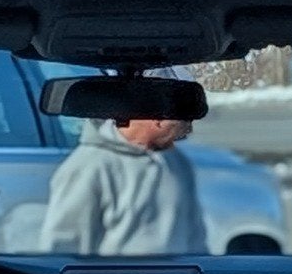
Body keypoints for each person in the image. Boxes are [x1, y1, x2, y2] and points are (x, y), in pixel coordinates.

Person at [40, 100, 205, 256]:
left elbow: (195, 236)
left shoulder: (176, 162)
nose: (186, 132)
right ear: (159, 119)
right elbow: (63, 248)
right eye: (182, 125)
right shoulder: (89, 166)